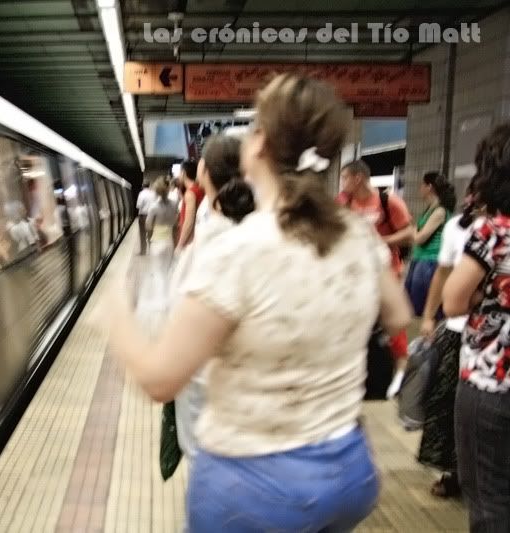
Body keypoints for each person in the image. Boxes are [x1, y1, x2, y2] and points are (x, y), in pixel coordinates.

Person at [109, 74, 412, 532]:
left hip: (254, 486)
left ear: (261, 144)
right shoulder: (356, 233)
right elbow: (398, 315)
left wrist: (116, 315)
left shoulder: (236, 251)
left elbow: (161, 380)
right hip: (346, 471)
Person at [170, 134, 255, 463]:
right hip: (251, 391)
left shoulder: (206, 246)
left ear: (203, 171)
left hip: (205, 385)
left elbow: (176, 328)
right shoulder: (265, 234)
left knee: (206, 462)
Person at [443, 122, 510, 532]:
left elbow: (453, 299)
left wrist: (488, 297)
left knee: (490, 500)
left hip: (492, 384)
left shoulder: (494, 232)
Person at [417, 175, 481, 499]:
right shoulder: (457, 227)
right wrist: (429, 315)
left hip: (490, 337)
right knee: (449, 406)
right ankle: (455, 472)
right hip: (459, 331)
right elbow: (443, 274)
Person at [339, 159, 414, 397]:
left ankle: (400, 371)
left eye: (345, 178)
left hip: (387, 272)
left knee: (392, 324)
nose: (342, 183)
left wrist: (382, 241)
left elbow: (410, 233)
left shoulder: (388, 201)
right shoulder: (344, 203)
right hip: (356, 274)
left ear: (358, 178)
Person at [405, 172, 457, 317]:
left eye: (422, 184)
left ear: (429, 187)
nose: (420, 188)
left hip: (429, 262)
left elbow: (419, 238)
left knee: (421, 306)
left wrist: (412, 230)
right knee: (414, 305)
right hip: (421, 260)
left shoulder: (440, 211)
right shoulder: (431, 209)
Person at [145, 178, 179, 304]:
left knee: (157, 272)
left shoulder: (153, 207)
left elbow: (148, 226)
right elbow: (176, 222)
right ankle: (166, 297)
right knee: (166, 271)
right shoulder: (174, 204)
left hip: (157, 242)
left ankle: (160, 300)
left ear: (156, 191)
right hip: (169, 241)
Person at [175, 161, 204, 253]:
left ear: (183, 173)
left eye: (179, 172)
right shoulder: (200, 189)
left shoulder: (190, 193)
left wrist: (180, 245)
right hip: (198, 238)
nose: (178, 176)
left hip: (190, 242)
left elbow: (189, 222)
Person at [136, 181, 155, 255]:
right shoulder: (153, 194)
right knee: (151, 234)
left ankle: (143, 251)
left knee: (143, 234)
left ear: (143, 186)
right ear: (149, 185)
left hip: (143, 216)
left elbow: (138, 205)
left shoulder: (141, 194)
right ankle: (151, 251)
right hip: (152, 215)